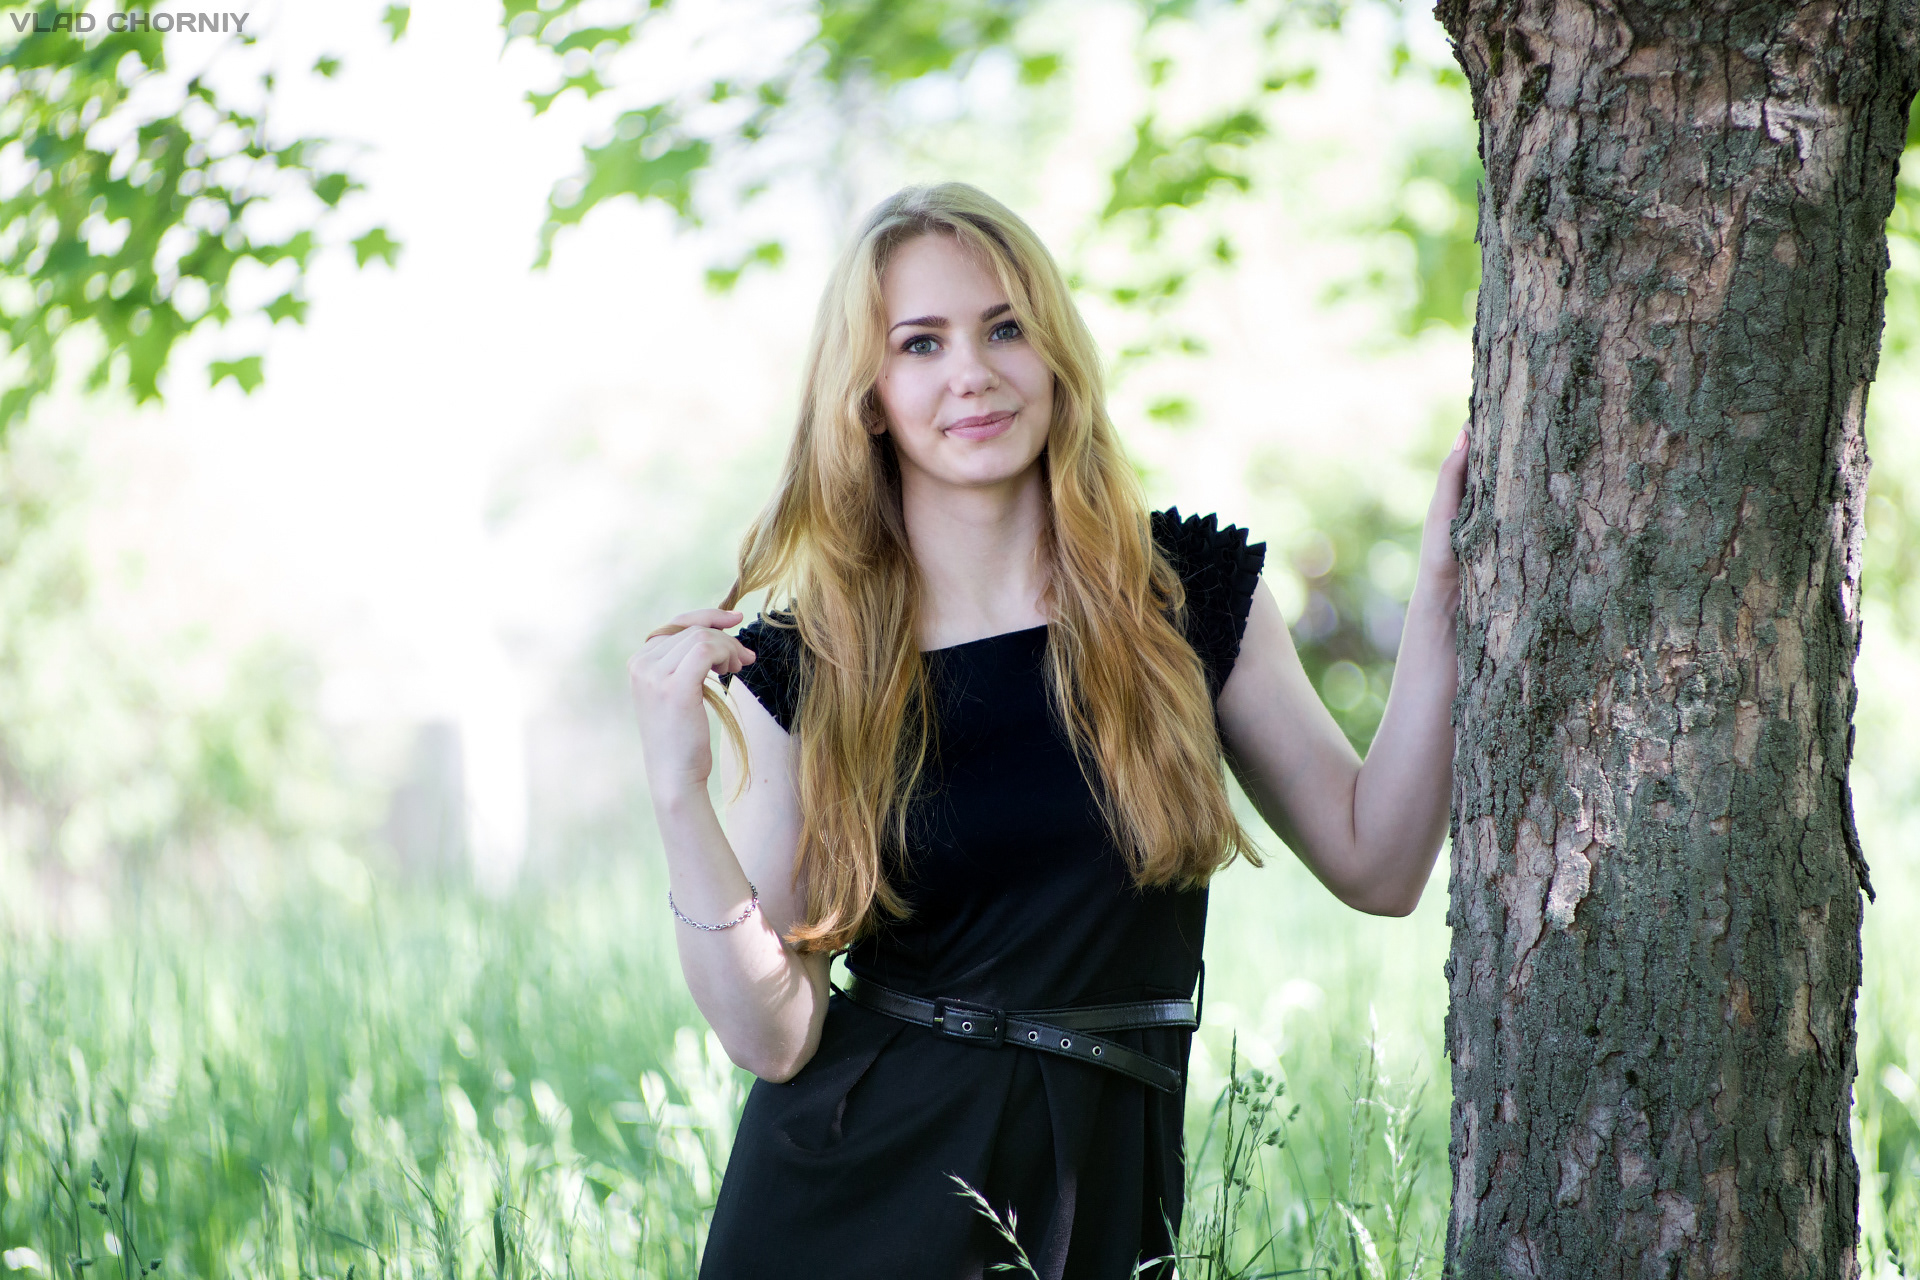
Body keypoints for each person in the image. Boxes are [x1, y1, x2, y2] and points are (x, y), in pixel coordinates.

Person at [627, 182, 1466, 1278]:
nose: (972, 371)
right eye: (921, 343)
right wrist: (677, 792)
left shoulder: (1184, 594)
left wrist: (1444, 591)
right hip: (855, 1202)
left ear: (1056, 353)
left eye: (1005, 328)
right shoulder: (810, 665)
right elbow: (773, 1035)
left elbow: (1381, 861)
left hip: (1100, 1192)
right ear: (870, 396)